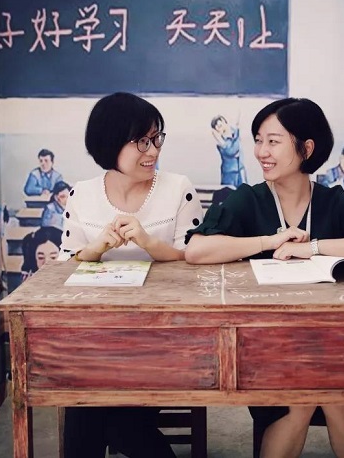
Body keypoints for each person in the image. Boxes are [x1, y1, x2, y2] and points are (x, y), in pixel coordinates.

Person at [185, 98, 344, 458]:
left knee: (334, 393)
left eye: (273, 141)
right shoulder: (249, 199)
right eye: (258, 140)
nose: (261, 152)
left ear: (306, 148)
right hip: (271, 342)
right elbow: (196, 250)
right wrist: (268, 242)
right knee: (301, 398)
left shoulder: (333, 201)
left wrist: (312, 248)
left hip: (336, 338)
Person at [58, 92, 203, 458]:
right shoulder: (82, 194)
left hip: (162, 336)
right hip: (97, 336)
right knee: (91, 408)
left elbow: (195, 258)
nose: (153, 151)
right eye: (142, 141)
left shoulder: (178, 189)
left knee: (101, 415)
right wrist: (95, 249)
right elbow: (63, 266)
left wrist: (149, 242)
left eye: (156, 139)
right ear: (110, 143)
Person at [211, 114, 247, 187]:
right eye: (217, 129)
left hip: (240, 170)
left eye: (220, 126)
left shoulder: (235, 134)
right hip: (229, 173)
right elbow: (231, 151)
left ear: (224, 122)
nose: (219, 129)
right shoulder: (221, 142)